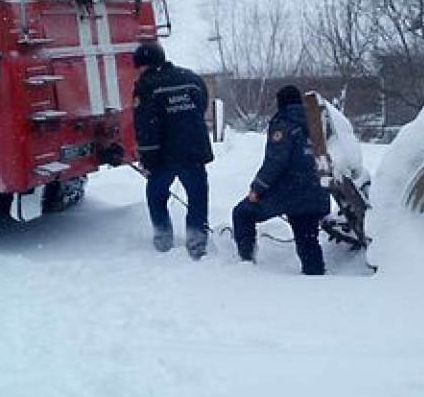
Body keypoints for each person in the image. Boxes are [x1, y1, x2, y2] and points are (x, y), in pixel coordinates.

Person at [232, 85, 331, 275]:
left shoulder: (283, 124)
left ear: (280, 103)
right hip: (317, 192)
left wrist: (257, 189)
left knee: (242, 213)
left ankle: (246, 263)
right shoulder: (316, 122)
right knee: (307, 236)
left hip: (290, 191)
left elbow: (275, 163)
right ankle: (316, 276)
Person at [132, 41, 214, 258]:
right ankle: (197, 240)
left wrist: (147, 158)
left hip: (164, 155)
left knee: (156, 195)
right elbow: (201, 106)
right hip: (194, 150)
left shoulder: (146, 85)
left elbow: (146, 126)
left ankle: (163, 238)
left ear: (144, 65)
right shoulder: (193, 79)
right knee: (197, 195)